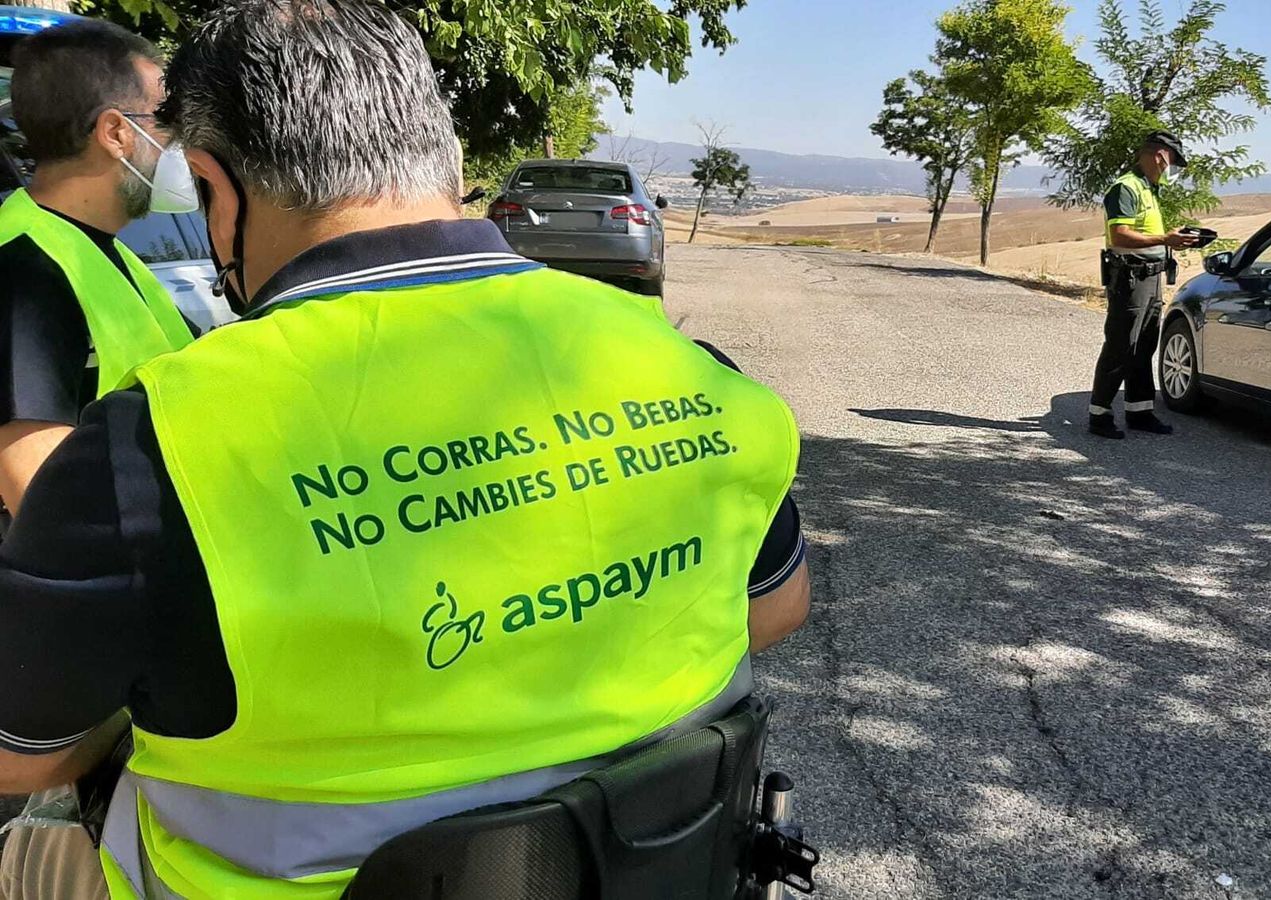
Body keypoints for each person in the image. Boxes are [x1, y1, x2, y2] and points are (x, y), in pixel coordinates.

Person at [0, 1, 810, 897]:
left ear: (214, 189)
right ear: (446, 157)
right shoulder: (691, 371)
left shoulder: (148, 446)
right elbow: (775, 608)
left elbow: (25, 758)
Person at [0, 20, 195, 513]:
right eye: (166, 120)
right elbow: (37, 495)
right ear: (115, 133)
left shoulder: (101, 250)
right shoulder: (23, 267)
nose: (182, 144)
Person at [1087, 130, 1199, 440]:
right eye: (1173, 161)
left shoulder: (1150, 189)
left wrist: (1172, 243)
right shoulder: (1125, 188)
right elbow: (1120, 235)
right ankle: (1100, 414)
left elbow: (1146, 235)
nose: (1173, 170)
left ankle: (1140, 412)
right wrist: (1165, 239)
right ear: (1161, 155)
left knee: (1145, 345)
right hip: (1130, 277)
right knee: (1121, 344)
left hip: (1152, 277)